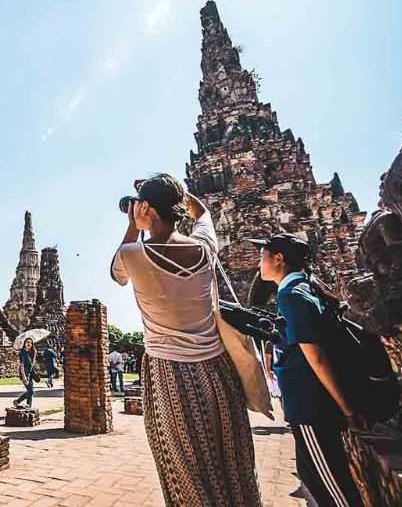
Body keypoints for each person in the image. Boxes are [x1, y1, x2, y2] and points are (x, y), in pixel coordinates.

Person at [111, 173, 261, 506]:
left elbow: (116, 273)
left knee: (186, 473)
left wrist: (134, 222)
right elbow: (203, 214)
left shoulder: (134, 255)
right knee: (234, 467)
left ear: (145, 208)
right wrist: (179, 193)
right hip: (219, 374)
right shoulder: (205, 248)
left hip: (170, 378)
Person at [253, 233, 364, 507]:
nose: (258, 262)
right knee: (315, 477)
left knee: (331, 488)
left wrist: (346, 407)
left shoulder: (291, 295)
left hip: (312, 407)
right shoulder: (302, 289)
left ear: (279, 259)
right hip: (311, 404)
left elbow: (316, 358)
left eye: (262, 255)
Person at [12, 337, 37, 408]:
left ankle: (29, 406)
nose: (29, 344)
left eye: (31, 343)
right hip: (25, 374)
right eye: (27, 342)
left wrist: (35, 355)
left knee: (30, 392)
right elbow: (21, 365)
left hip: (30, 374)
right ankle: (17, 401)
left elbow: (32, 364)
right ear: (24, 343)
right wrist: (24, 376)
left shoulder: (30, 353)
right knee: (31, 391)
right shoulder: (23, 353)